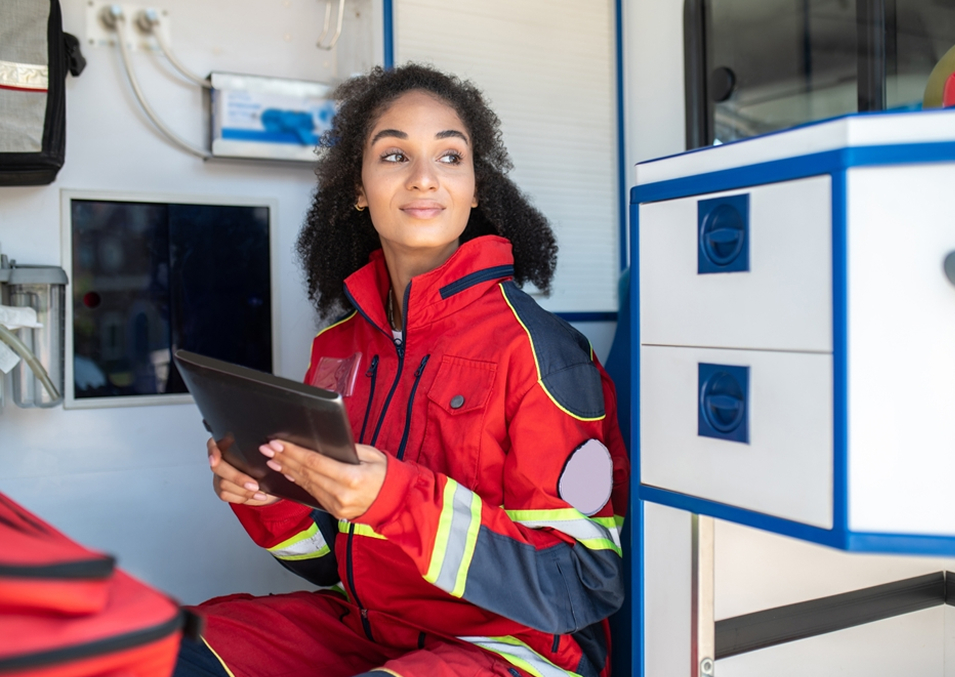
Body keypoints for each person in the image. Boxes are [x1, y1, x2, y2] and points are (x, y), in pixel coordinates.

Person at [175, 63, 629, 677]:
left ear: (475, 189)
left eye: (449, 157)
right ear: (358, 188)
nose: (423, 179)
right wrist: (264, 497)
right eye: (394, 156)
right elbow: (329, 562)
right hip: (370, 626)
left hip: (516, 648)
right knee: (155, 646)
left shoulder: (543, 352)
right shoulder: (338, 347)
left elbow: (582, 583)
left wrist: (393, 497)